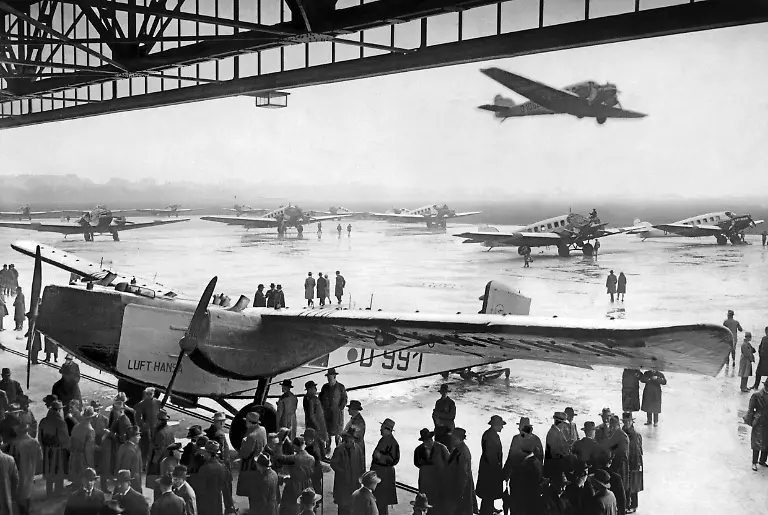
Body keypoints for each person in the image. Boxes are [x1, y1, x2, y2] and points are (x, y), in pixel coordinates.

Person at [9, 420, 42, 515]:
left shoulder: (14, 444)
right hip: (30, 472)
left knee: (20, 496)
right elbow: (40, 458)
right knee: (27, 494)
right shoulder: (34, 443)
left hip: (18, 472)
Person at [413, 428, 449, 515]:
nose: (428, 442)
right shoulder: (418, 450)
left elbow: (449, 463)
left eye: (429, 440)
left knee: (437, 503)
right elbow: (416, 463)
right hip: (425, 482)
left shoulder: (441, 448)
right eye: (425, 441)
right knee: (424, 502)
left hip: (438, 481)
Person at [330, 426, 365, 515]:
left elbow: (362, 464)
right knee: (342, 507)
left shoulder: (358, 449)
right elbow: (333, 463)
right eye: (349, 438)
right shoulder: (339, 449)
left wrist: (361, 477)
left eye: (352, 438)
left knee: (353, 507)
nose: (350, 440)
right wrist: (343, 472)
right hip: (342, 484)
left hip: (354, 484)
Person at [39, 399, 69, 496]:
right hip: (58, 450)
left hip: (47, 450)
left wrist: (44, 448)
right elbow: (64, 439)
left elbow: (40, 437)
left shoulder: (43, 421)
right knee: (58, 471)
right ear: (59, 410)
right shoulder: (61, 422)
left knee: (49, 471)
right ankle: (58, 491)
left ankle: (49, 492)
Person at [196, 440, 236, 515]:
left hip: (206, 506)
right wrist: (229, 506)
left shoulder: (204, 469)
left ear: (209, 454)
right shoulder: (223, 467)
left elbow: (200, 490)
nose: (203, 454)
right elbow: (227, 489)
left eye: (204, 452)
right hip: (220, 504)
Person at [370, 418, 400, 515]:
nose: (380, 429)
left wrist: (380, 457)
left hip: (384, 474)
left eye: (382, 428)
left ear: (387, 429)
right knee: (378, 500)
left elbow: (393, 459)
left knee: (381, 501)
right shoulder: (384, 439)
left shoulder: (393, 443)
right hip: (379, 473)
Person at [477, 415, 505, 515]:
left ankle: (490, 508)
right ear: (495, 425)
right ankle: (486, 511)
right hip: (489, 469)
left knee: (489, 491)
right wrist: (497, 469)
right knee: (488, 492)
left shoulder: (491, 434)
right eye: (501, 425)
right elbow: (490, 455)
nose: (502, 427)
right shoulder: (489, 436)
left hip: (490, 467)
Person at [280, 436, 315, 515]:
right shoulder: (311, 458)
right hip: (308, 485)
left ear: (295, 446)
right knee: (307, 505)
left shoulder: (294, 458)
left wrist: (279, 444)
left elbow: (280, 458)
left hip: (294, 486)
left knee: (291, 508)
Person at [445, 428, 475, 515]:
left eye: (454, 439)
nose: (452, 440)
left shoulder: (462, 453)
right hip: (456, 488)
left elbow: (463, 475)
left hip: (460, 491)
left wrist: (459, 494)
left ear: (460, 439)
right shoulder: (458, 449)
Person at [319, 368, 348, 455]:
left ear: (334, 377)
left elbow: (345, 399)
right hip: (327, 415)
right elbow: (320, 398)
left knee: (337, 435)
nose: (329, 379)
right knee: (327, 434)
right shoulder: (325, 387)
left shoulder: (341, 387)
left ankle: (339, 451)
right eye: (328, 377)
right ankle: (327, 449)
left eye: (330, 377)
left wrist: (340, 408)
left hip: (337, 416)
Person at [69, 406, 97, 489]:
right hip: (83, 458)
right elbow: (89, 451)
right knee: (84, 481)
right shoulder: (90, 430)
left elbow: (71, 441)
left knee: (76, 477)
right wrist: (90, 465)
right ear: (92, 418)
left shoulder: (76, 426)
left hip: (73, 456)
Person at [134, 387, 161, 466]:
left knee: (155, 445)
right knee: (146, 446)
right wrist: (143, 424)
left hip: (156, 427)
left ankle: (152, 462)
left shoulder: (158, 402)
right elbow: (137, 417)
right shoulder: (141, 404)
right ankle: (144, 463)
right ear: (146, 394)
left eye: (151, 394)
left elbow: (159, 413)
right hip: (147, 428)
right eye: (148, 394)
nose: (150, 395)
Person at [622, 413, 643, 514]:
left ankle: (633, 505)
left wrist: (637, 464)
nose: (627, 423)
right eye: (625, 422)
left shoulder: (635, 435)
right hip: (625, 463)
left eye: (628, 422)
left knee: (633, 485)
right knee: (626, 484)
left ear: (632, 422)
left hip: (633, 462)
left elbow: (638, 451)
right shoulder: (621, 433)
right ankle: (627, 504)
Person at [746, 381, 768, 471]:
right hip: (759, 421)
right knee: (757, 442)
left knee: (767, 442)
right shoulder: (757, 395)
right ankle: (754, 462)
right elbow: (750, 409)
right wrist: (751, 420)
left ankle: (762, 460)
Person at [115, 426, 143, 493]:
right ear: (132, 437)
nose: (140, 437)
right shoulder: (130, 450)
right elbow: (126, 468)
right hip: (132, 482)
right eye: (138, 435)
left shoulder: (125, 446)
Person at [303, 381, 328, 452]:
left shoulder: (306, 398)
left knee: (312, 442)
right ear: (310, 389)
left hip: (310, 424)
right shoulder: (313, 399)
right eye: (314, 388)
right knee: (319, 442)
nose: (316, 389)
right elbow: (312, 415)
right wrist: (318, 426)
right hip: (317, 424)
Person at [432, 384, 456, 450]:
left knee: (448, 448)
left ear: (447, 392)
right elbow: (434, 415)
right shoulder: (438, 402)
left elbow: (452, 416)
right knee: (438, 447)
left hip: (448, 429)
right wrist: (437, 421)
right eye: (442, 391)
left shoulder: (451, 403)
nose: (443, 393)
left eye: (445, 391)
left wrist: (440, 416)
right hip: (439, 429)